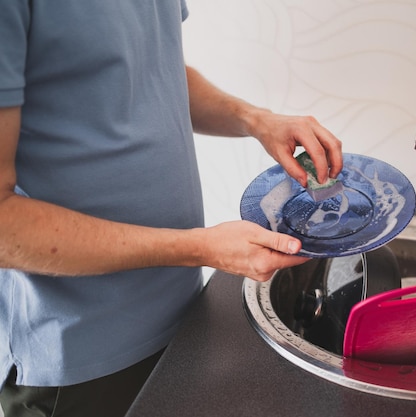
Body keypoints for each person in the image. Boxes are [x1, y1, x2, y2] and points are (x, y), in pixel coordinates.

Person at [0, 1, 342, 416]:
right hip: (78, 359)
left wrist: (257, 120)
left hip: (182, 318)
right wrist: (199, 248)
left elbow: (150, 71)